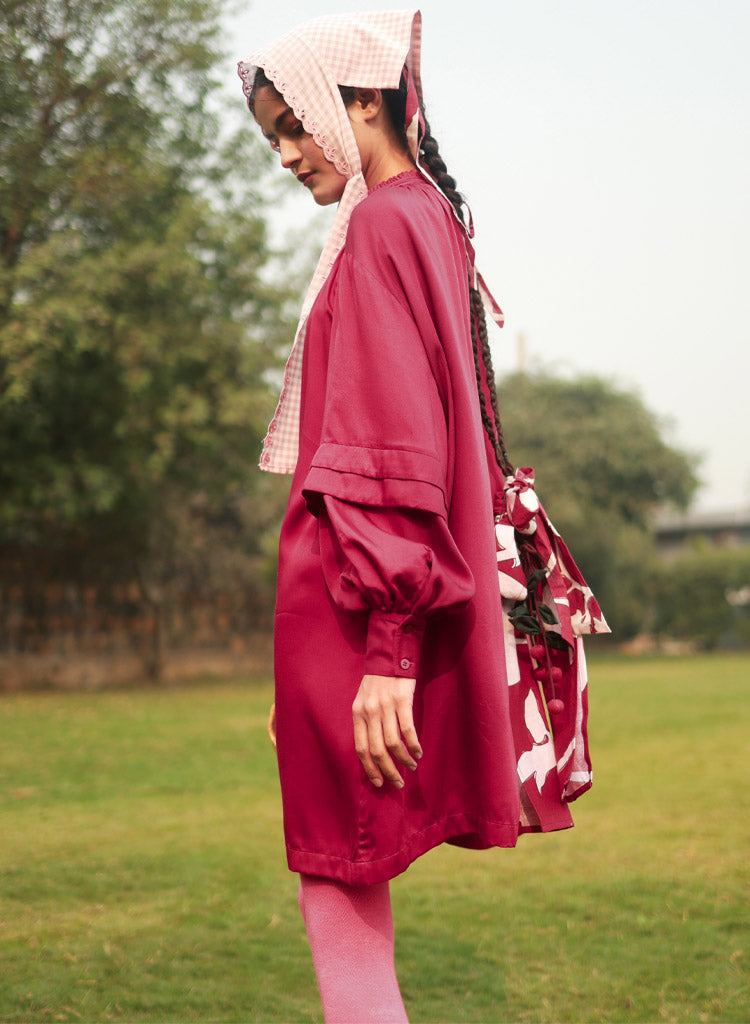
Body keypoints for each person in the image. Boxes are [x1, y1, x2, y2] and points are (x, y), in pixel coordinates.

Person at [238, 10, 606, 1021]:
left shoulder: (382, 226)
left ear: (361, 101)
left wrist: (387, 652)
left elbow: (390, 446)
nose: (284, 156)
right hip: (359, 607)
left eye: (293, 127)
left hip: (361, 610)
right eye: (272, 136)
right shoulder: (430, 217)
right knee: (346, 875)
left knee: (337, 878)